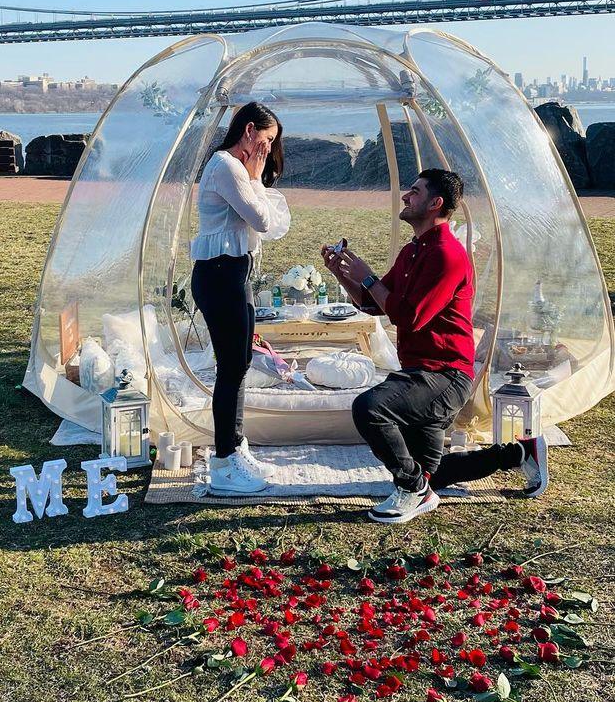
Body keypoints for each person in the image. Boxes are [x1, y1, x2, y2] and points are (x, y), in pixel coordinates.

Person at [322, 168, 546, 524]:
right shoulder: (413, 251)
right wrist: (343, 274)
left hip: (445, 374)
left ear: (434, 203)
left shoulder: (447, 255)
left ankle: (412, 490)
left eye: (414, 191)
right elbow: (375, 304)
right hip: (421, 371)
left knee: (370, 408)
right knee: (434, 472)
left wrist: (366, 274)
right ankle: (517, 454)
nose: (406, 196)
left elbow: (408, 317)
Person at [191, 102, 290, 496]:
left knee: (242, 362)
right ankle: (224, 462)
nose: (268, 149)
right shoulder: (227, 167)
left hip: (233, 273)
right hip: (218, 275)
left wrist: (255, 176)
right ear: (249, 131)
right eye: (266, 141)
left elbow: (259, 220)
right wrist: (257, 174)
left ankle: (234, 446)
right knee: (231, 367)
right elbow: (262, 220)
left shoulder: (238, 170)